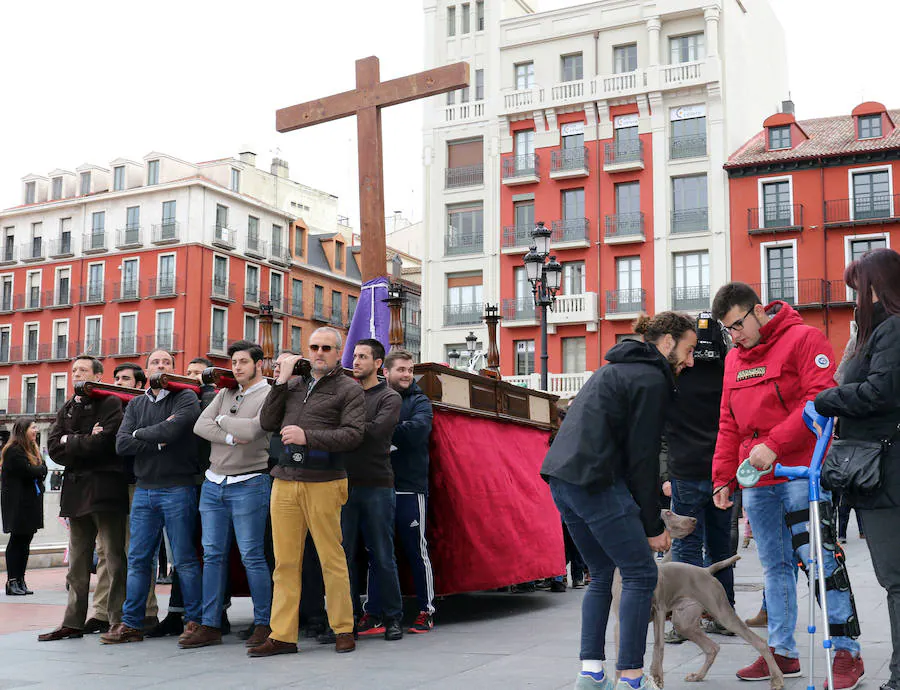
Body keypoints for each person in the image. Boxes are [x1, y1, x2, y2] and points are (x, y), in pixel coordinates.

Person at [711, 282, 865, 689]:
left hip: (802, 474)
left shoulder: (804, 338)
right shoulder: (733, 361)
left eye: (738, 324)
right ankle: (781, 652)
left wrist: (775, 445)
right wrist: (723, 477)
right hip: (757, 478)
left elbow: (820, 399)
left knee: (821, 562)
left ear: (759, 311)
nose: (735, 335)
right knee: (774, 568)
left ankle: (847, 651)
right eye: (728, 330)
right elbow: (728, 422)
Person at [541, 312, 697, 690]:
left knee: (602, 572)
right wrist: (653, 527)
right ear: (667, 343)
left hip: (562, 479)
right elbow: (642, 459)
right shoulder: (650, 378)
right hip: (595, 481)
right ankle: (630, 678)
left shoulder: (614, 368)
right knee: (641, 574)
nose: (691, 361)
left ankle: (592, 674)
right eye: (689, 350)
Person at [249, 327, 365, 657]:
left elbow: (354, 436)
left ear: (338, 352)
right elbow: (268, 422)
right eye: (314, 346)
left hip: (326, 481)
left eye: (326, 348)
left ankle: (344, 627)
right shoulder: (294, 384)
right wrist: (281, 382)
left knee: (332, 557)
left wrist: (307, 436)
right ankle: (282, 634)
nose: (318, 352)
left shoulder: (349, 389)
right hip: (285, 479)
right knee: (284, 563)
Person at [814, 248, 900, 690]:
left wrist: (824, 400)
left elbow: (878, 392)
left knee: (895, 578)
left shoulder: (891, 330)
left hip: (887, 473)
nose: (854, 301)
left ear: (876, 288)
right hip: (882, 470)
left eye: (858, 291)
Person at [102, 350, 202, 645]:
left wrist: (141, 435)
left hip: (178, 487)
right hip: (144, 489)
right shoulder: (136, 403)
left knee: (184, 559)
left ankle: (195, 621)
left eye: (167, 363)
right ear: (147, 370)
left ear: (174, 370)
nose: (161, 366)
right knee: (138, 560)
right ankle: (131, 624)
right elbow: (122, 444)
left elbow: (174, 429)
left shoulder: (186, 398)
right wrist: (156, 440)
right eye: (156, 363)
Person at [184, 340, 272, 650]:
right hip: (213, 483)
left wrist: (223, 424)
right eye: (234, 362)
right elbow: (200, 425)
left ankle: (264, 622)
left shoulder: (269, 394)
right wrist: (233, 434)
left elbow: (253, 432)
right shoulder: (224, 393)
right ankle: (210, 624)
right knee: (212, 556)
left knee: (252, 555)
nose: (236, 367)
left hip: (250, 483)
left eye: (243, 362)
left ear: (258, 364)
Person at [39, 356, 128, 641]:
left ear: (98, 376)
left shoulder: (112, 402)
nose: (77, 374)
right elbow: (53, 447)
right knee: (76, 562)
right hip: (75, 490)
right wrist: (82, 438)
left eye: (83, 370)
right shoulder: (68, 406)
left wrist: (71, 440)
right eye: (74, 370)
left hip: (105, 488)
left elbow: (106, 442)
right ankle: (72, 622)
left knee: (114, 558)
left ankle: (117, 620)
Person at [664, 312, 735, 641]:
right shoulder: (727, 372)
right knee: (722, 545)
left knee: (686, 549)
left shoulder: (677, 372)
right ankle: (724, 614)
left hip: (686, 469)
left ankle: (684, 621)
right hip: (723, 470)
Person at [368, 348, 437, 632]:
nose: (407, 375)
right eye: (401, 370)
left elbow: (418, 431)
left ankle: (426, 609)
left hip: (410, 486)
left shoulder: (420, 400)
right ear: (386, 372)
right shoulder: (375, 398)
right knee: (377, 552)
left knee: (416, 551)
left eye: (410, 370)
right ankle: (373, 612)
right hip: (377, 485)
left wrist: (382, 429)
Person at [339, 339, 403, 641]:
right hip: (343, 485)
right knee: (344, 555)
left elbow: (377, 432)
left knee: (383, 554)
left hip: (377, 485)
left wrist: (346, 430)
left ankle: (392, 618)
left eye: (363, 356)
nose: (356, 361)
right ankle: (347, 618)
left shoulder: (389, 397)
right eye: (354, 356)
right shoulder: (345, 394)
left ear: (378, 363)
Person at [1, 418, 47, 596]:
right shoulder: (14, 450)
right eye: (33, 428)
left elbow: (40, 470)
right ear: (23, 431)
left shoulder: (31, 450)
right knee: (17, 541)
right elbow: (31, 471)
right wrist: (39, 469)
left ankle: (21, 579)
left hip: (30, 502)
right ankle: (12, 581)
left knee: (26, 541)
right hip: (17, 503)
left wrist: (38, 469)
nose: (36, 431)